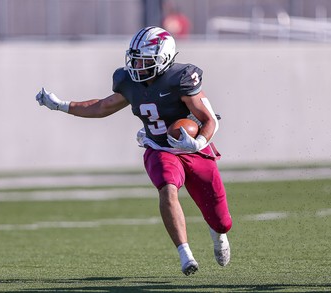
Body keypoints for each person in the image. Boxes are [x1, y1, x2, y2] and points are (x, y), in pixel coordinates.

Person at [35, 26, 232, 276]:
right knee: (167, 188)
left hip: (195, 150)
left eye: (144, 60)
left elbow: (211, 120)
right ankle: (186, 254)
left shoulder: (180, 78)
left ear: (164, 58)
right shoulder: (129, 82)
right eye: (135, 58)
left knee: (222, 221)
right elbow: (102, 107)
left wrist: (199, 142)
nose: (137, 65)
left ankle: (218, 235)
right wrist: (62, 106)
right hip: (160, 148)